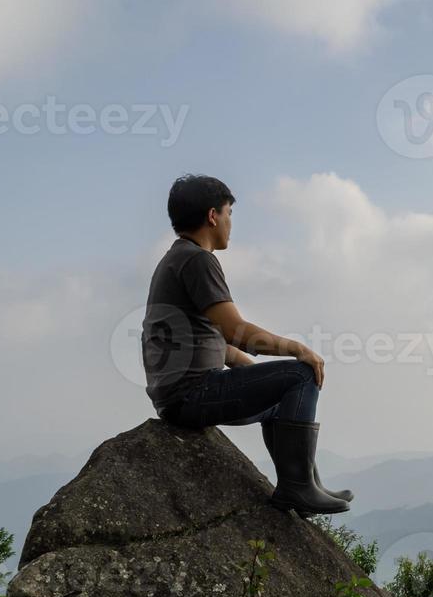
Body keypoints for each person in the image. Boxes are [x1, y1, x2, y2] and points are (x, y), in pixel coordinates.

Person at [141, 174, 352, 516]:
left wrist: (257, 377)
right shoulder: (198, 260)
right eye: (229, 214)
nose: (229, 223)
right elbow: (235, 330)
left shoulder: (175, 259)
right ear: (213, 216)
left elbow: (211, 341)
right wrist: (299, 350)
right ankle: (297, 488)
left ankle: (306, 483)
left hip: (178, 395)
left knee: (283, 393)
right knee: (301, 375)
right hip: (192, 393)